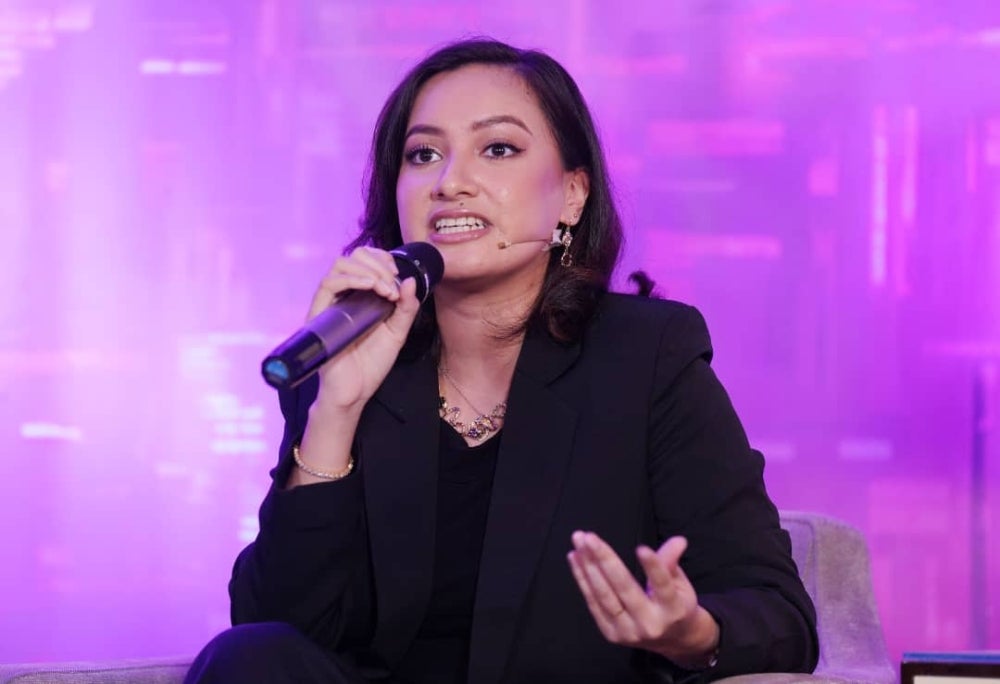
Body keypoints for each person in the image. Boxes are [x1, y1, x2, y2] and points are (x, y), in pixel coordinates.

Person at [185, 38, 819, 684]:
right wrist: (336, 411)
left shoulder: (650, 358)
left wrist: (691, 634)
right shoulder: (350, 361)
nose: (449, 182)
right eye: (423, 154)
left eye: (498, 149)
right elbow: (275, 631)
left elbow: (779, 615)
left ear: (571, 196)